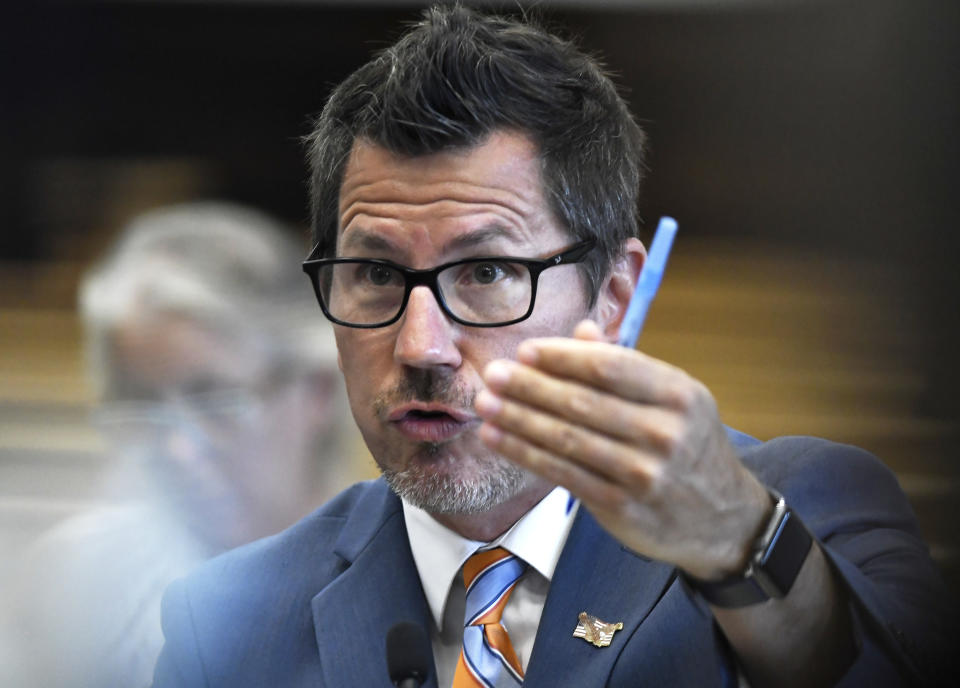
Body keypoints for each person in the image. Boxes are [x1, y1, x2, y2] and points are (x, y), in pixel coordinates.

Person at [153, 6, 953, 688]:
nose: (421, 345)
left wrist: (741, 544)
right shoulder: (227, 625)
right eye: (373, 273)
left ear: (614, 296)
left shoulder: (806, 509)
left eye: (489, 271)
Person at [1, 202, 357, 688]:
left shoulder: (398, 583)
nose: (178, 449)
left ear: (315, 390)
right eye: (141, 403)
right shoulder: (72, 587)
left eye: (215, 401)